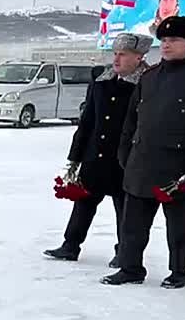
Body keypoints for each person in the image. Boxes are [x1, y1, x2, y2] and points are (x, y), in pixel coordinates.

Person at [104, 16, 185, 289]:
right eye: (164, 40)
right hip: (141, 162)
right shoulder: (150, 76)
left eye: (174, 40)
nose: (167, 45)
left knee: (179, 225)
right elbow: (132, 120)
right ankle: (130, 267)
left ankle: (180, 271)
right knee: (132, 223)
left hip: (178, 167)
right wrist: (125, 153)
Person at [45, 34, 151, 266]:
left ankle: (123, 252)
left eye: (123, 54)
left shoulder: (147, 83)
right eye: (115, 53)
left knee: (125, 212)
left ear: (139, 57)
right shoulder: (102, 81)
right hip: (95, 156)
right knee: (83, 205)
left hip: (125, 160)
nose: (117, 59)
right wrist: (75, 157)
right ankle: (70, 245)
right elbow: (88, 121)